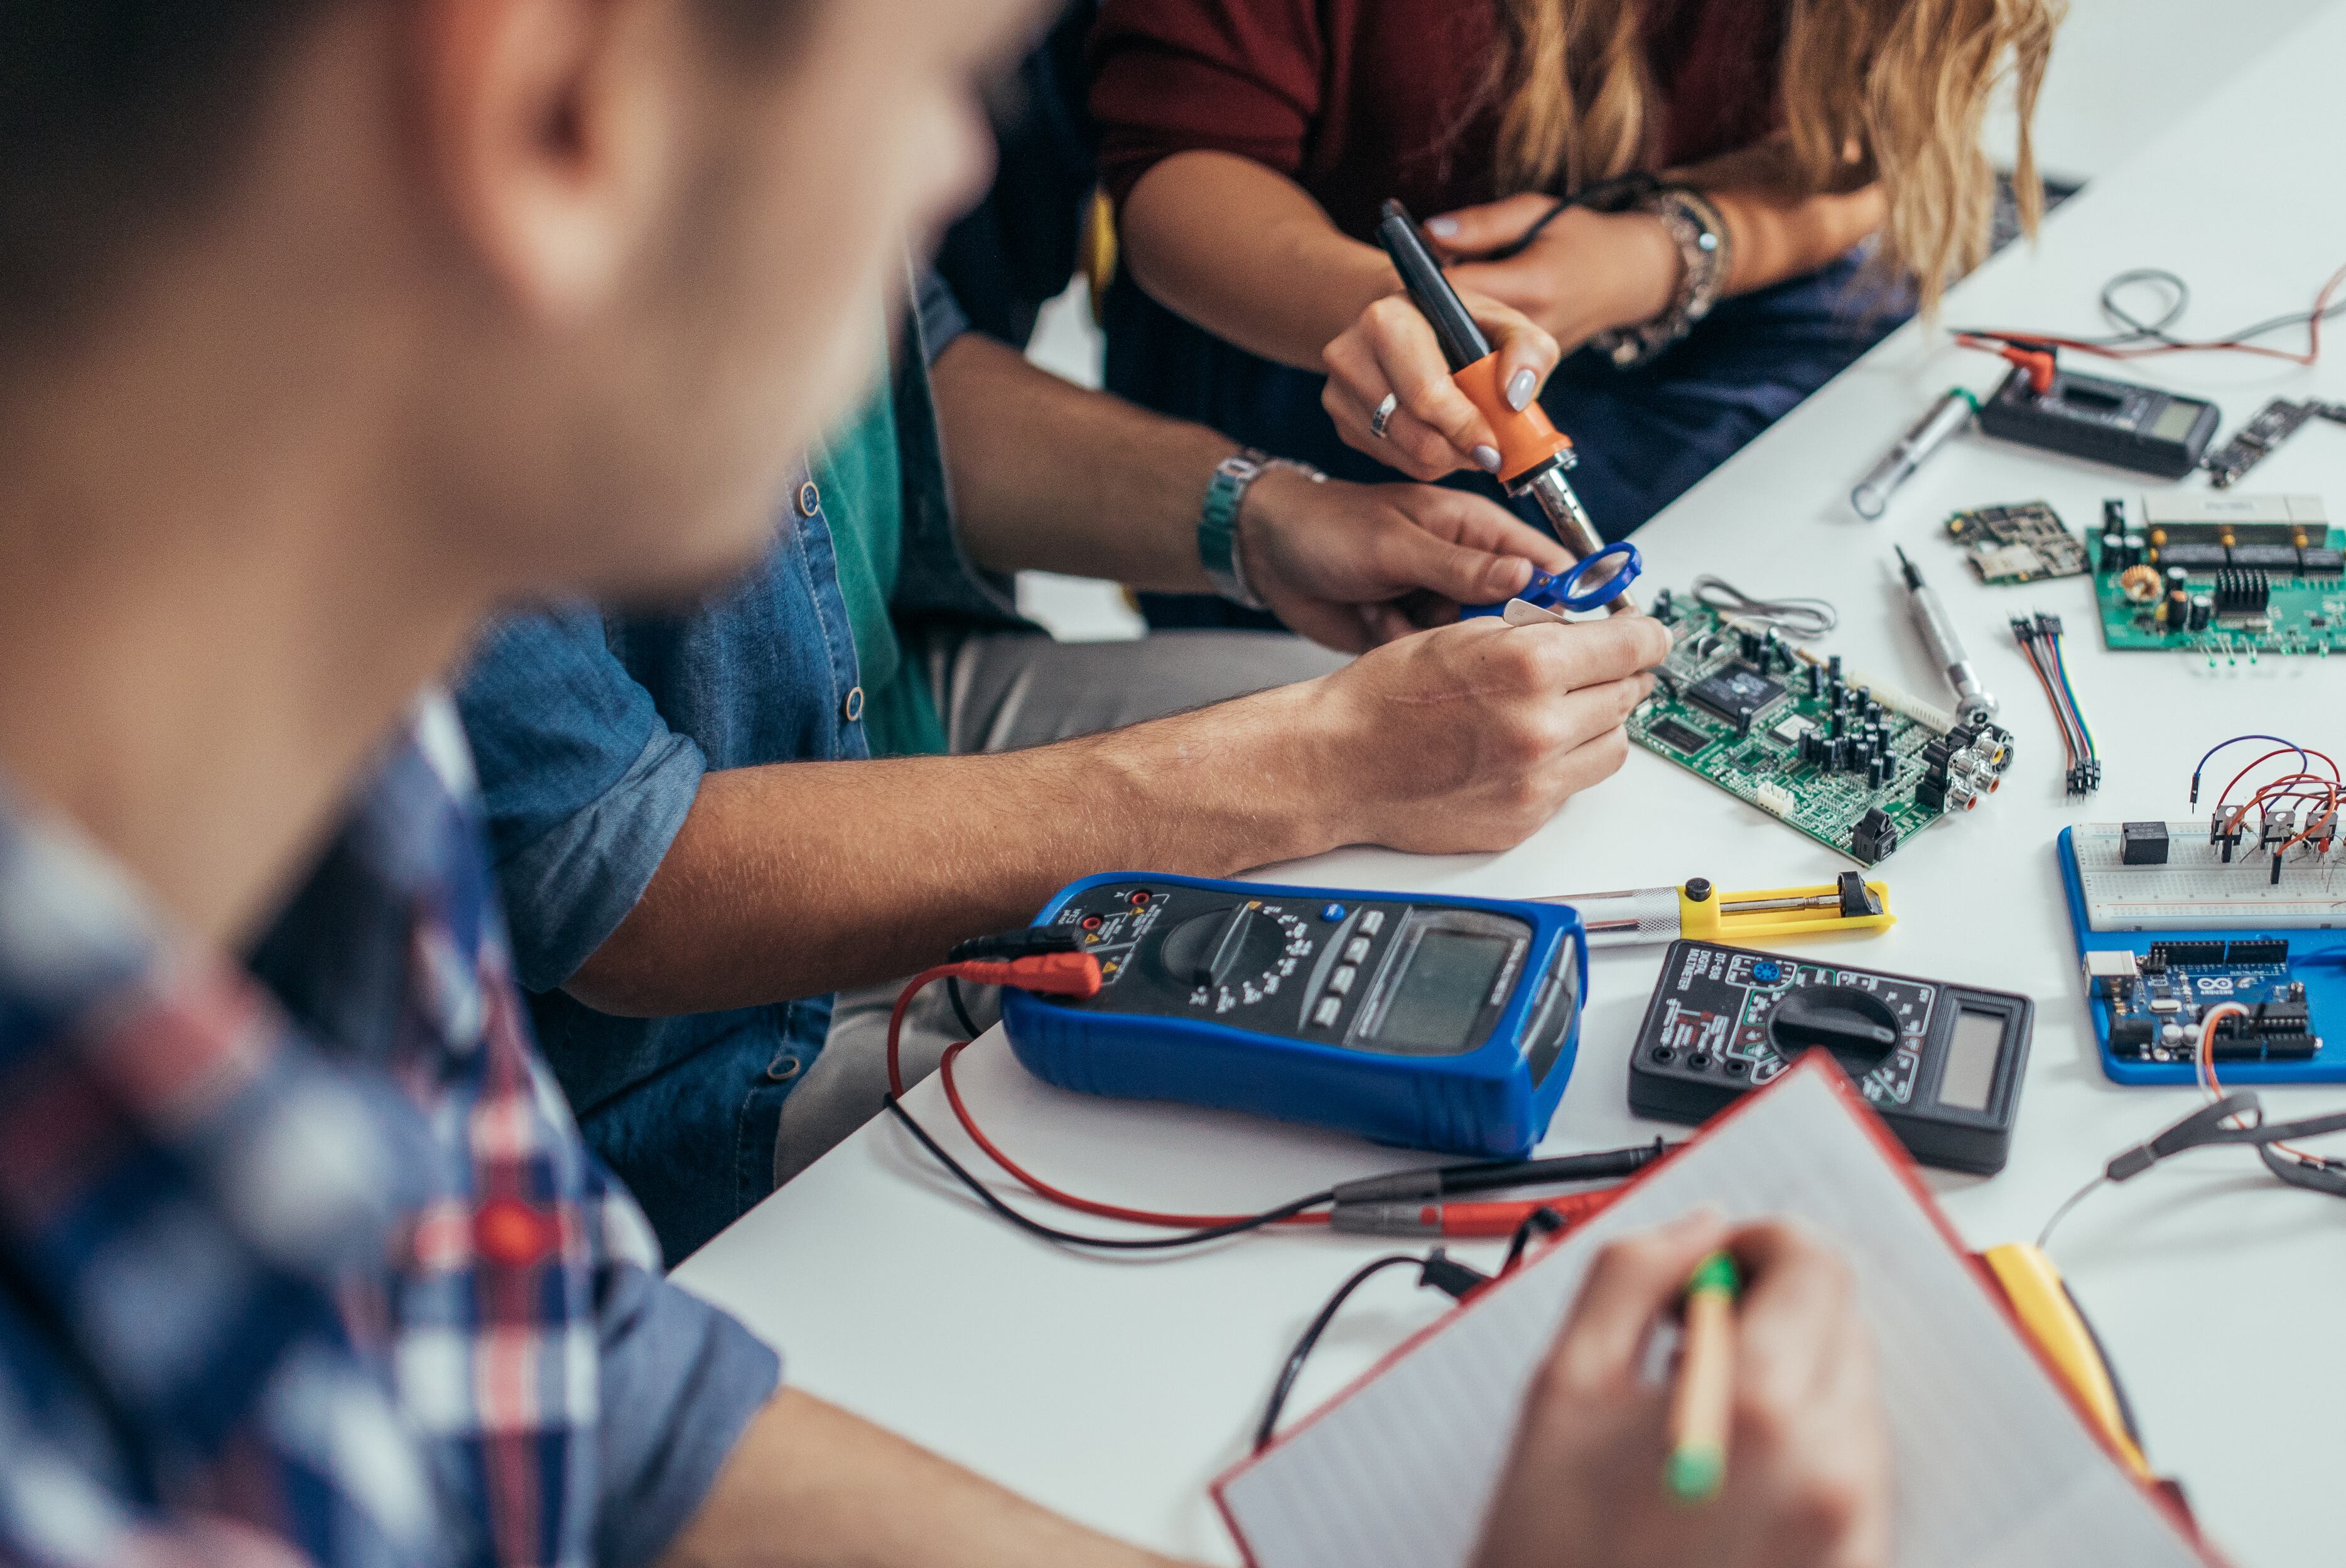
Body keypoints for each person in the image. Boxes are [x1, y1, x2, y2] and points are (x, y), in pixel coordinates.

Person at [0, 0, 1888, 1568]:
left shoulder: (321, 807)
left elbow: (564, 1407)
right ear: (560, 85)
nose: (961, 188)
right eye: (938, 70)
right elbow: (631, 906)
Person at [457, 265, 1665, 1258]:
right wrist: (1323, 761)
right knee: (1311, 1212)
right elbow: (619, 885)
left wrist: (1261, 518)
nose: (970, 160)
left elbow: (910, 369)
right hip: (694, 1056)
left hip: (917, 705)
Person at [1088, 0, 2093, 545]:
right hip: (1332, 365)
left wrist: (1662, 253)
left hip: (1730, 304)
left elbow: (1872, 156)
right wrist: (1384, 312)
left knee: (1911, 512)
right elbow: (1177, 181)